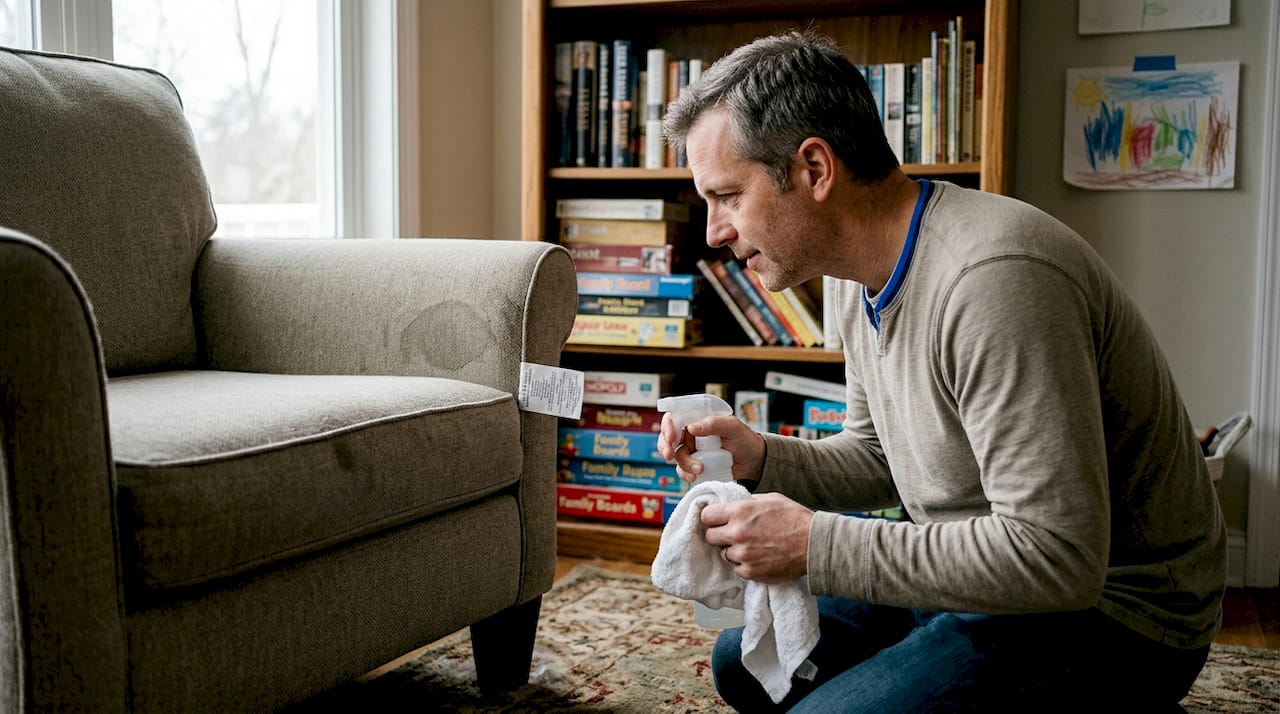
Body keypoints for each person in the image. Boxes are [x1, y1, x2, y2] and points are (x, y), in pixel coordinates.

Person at [657, 30, 1226, 712]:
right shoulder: (851, 270)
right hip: (973, 575)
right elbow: (880, 455)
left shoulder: (993, 279)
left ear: (814, 169)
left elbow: (1058, 557)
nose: (715, 230)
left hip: (1117, 617)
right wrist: (762, 457)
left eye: (728, 196)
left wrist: (816, 543)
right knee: (742, 666)